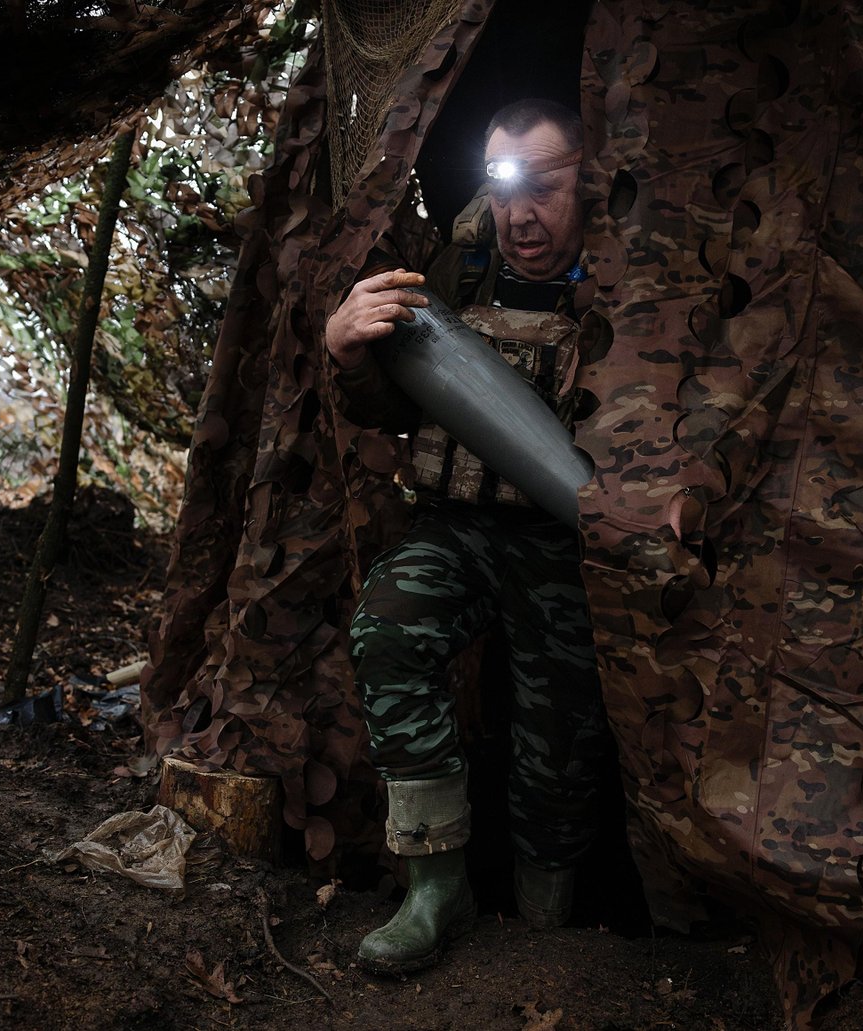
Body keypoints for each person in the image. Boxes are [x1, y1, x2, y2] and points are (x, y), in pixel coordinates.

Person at [324, 98, 608, 975]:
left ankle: (546, 919)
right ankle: (433, 886)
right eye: (503, 188)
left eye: (544, 189)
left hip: (569, 543)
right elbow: (404, 402)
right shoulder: (461, 263)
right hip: (459, 525)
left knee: (558, 731)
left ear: (587, 181)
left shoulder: (629, 281)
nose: (522, 216)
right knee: (388, 625)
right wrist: (348, 353)